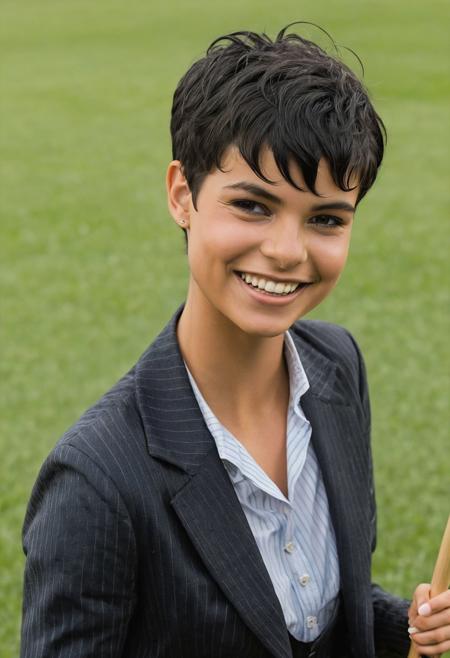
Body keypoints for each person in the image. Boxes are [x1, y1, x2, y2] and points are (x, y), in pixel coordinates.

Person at [20, 24, 450, 658]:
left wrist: (406, 624)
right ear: (182, 195)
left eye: (326, 219)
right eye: (252, 205)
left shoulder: (338, 367)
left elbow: (318, 607)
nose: (285, 251)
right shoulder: (97, 481)